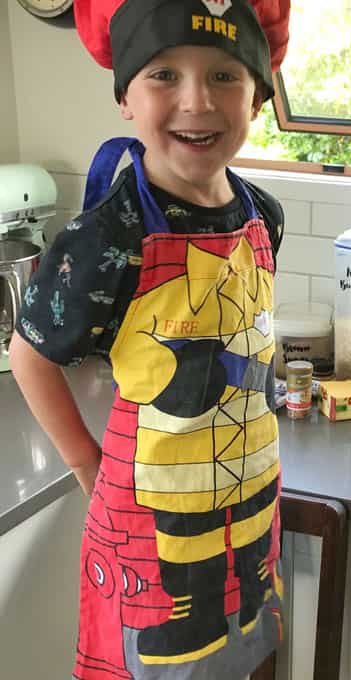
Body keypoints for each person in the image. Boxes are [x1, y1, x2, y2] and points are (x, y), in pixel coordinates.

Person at [9, 1, 290, 678]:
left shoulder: (262, 214)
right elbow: (30, 354)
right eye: (164, 74)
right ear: (126, 98)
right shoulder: (110, 234)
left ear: (258, 97)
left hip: (248, 495)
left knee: (238, 648)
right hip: (151, 513)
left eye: (225, 75)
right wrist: (84, 459)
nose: (197, 101)